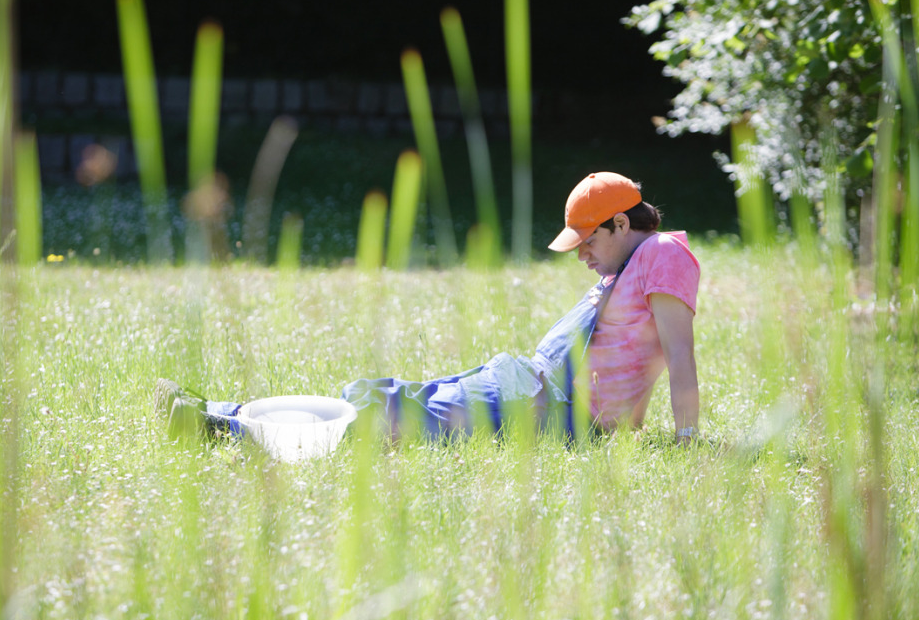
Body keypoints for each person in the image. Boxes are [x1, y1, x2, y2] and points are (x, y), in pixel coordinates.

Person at [154, 171, 701, 446]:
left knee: (392, 420)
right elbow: (628, 353)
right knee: (387, 397)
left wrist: (684, 441)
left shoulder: (661, 253)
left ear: (622, 224)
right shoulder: (631, 265)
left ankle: (224, 429)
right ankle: (227, 410)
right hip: (528, 383)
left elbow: (679, 355)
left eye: (588, 241)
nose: (581, 253)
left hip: (544, 403)